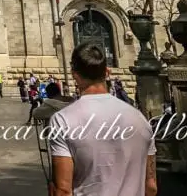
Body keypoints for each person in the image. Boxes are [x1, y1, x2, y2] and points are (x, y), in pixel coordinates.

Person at [48, 43, 157, 196]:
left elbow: (63, 190)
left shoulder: (62, 120)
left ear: (74, 75)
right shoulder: (140, 119)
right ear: (107, 72)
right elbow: (151, 186)